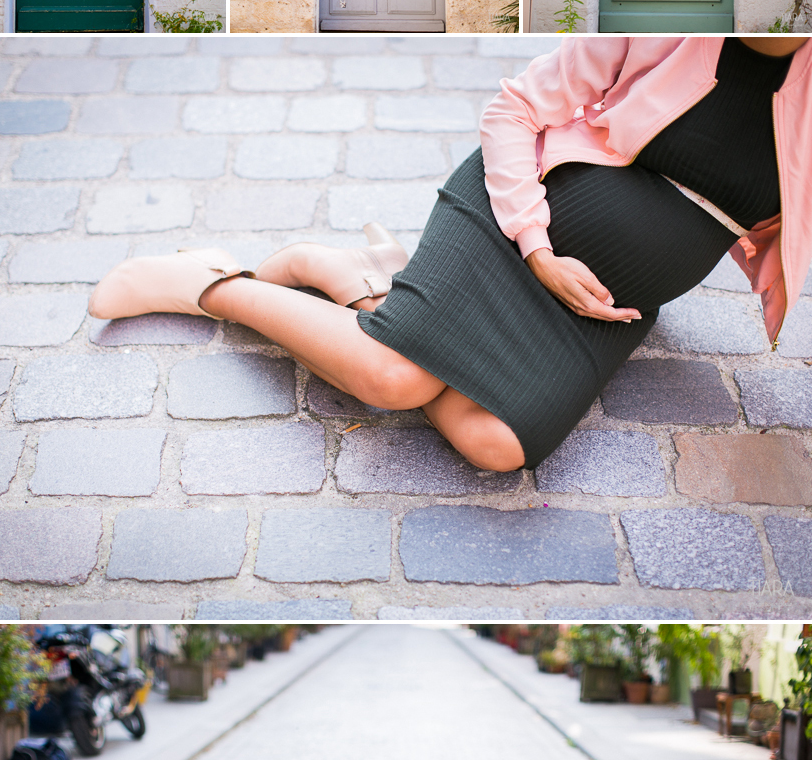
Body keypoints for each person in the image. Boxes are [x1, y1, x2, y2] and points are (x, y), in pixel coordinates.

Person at [89, 35, 812, 475]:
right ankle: (208, 282)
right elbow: (512, 111)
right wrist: (536, 250)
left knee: (495, 444)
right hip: (517, 225)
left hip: (601, 305)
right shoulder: (668, 24)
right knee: (392, 378)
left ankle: (364, 285)